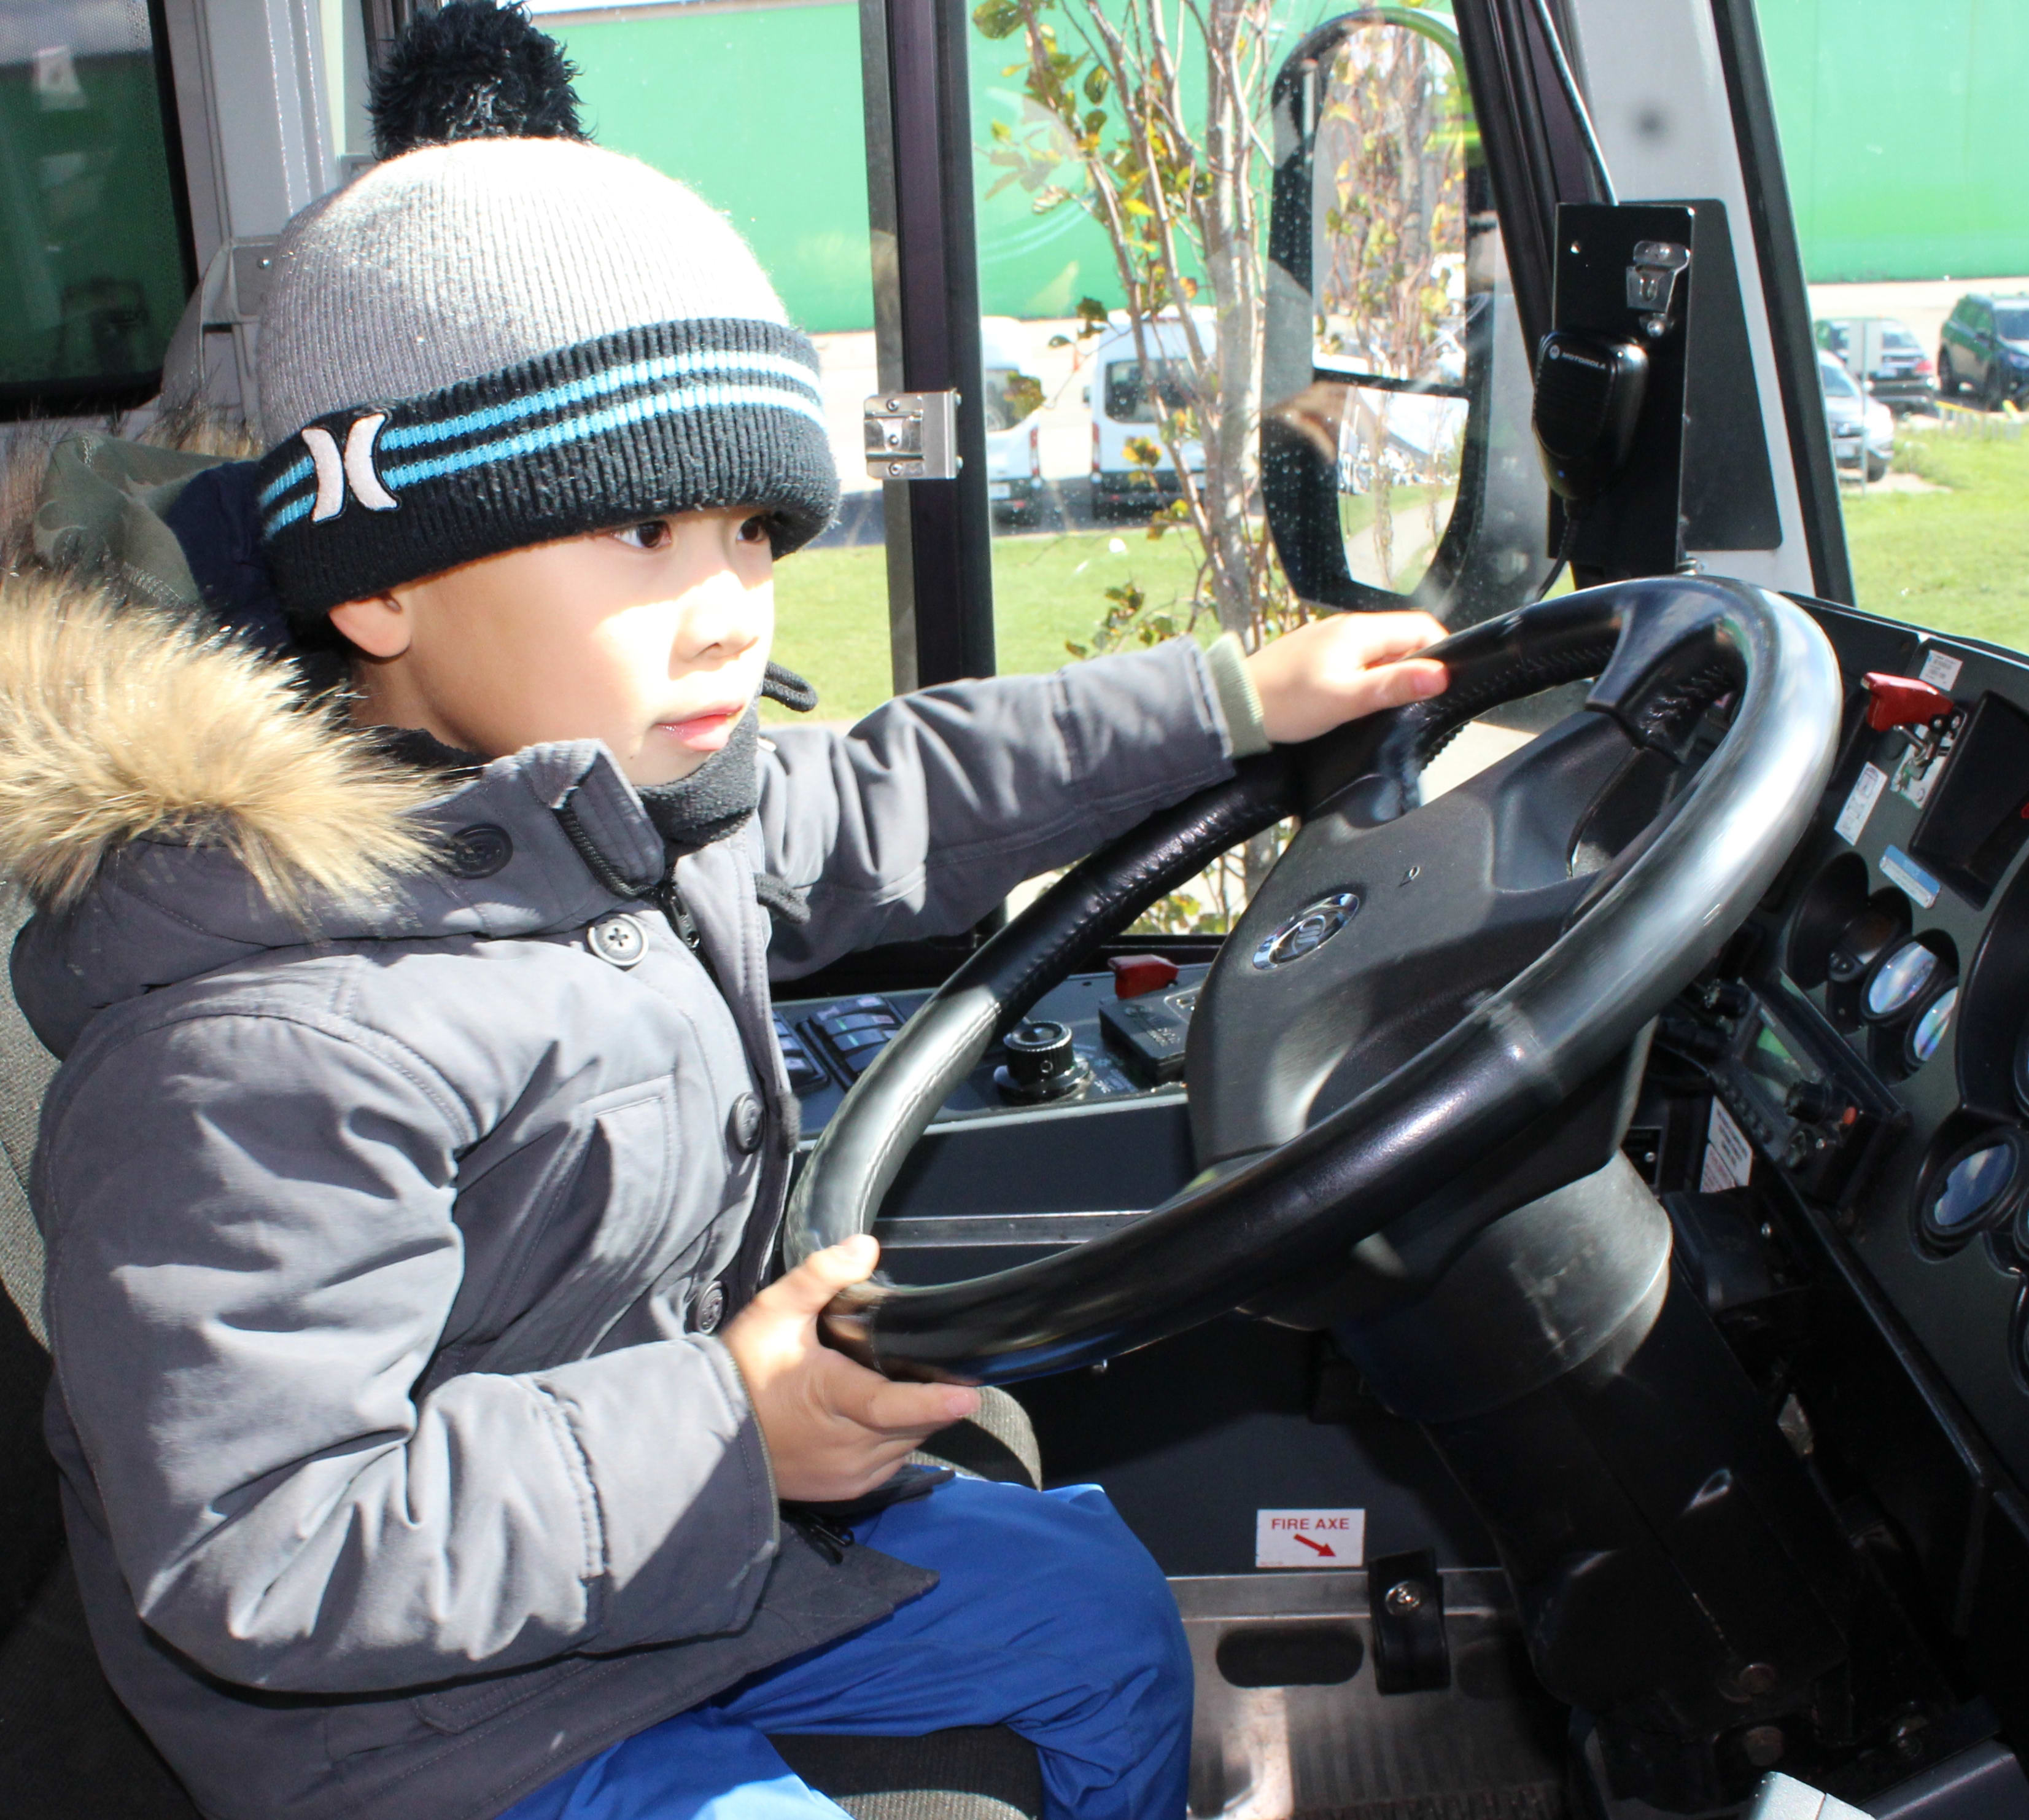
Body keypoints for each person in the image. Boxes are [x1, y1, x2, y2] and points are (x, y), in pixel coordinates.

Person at [1, 9, 1447, 1820]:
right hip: (410, 1719)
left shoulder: (612, 811)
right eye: (639, 537)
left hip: (671, 1551)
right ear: (376, 589)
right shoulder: (248, 1038)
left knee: (1094, 1604)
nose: (726, 613)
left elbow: (887, 792)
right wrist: (725, 1426)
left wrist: (1233, 705)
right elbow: (268, 1542)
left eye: (753, 533)